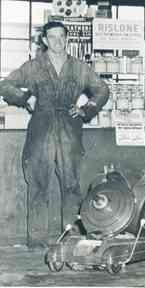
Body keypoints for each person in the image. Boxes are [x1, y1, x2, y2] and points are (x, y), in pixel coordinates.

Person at [0, 21, 109, 251]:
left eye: (61, 36)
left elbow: (102, 89)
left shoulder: (79, 67)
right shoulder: (33, 66)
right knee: (38, 185)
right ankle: (37, 241)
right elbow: (6, 85)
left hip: (70, 129)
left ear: (66, 39)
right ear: (45, 40)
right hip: (41, 129)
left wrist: (86, 109)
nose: (58, 41)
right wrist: (25, 98)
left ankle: (71, 238)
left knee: (72, 185)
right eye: (52, 37)